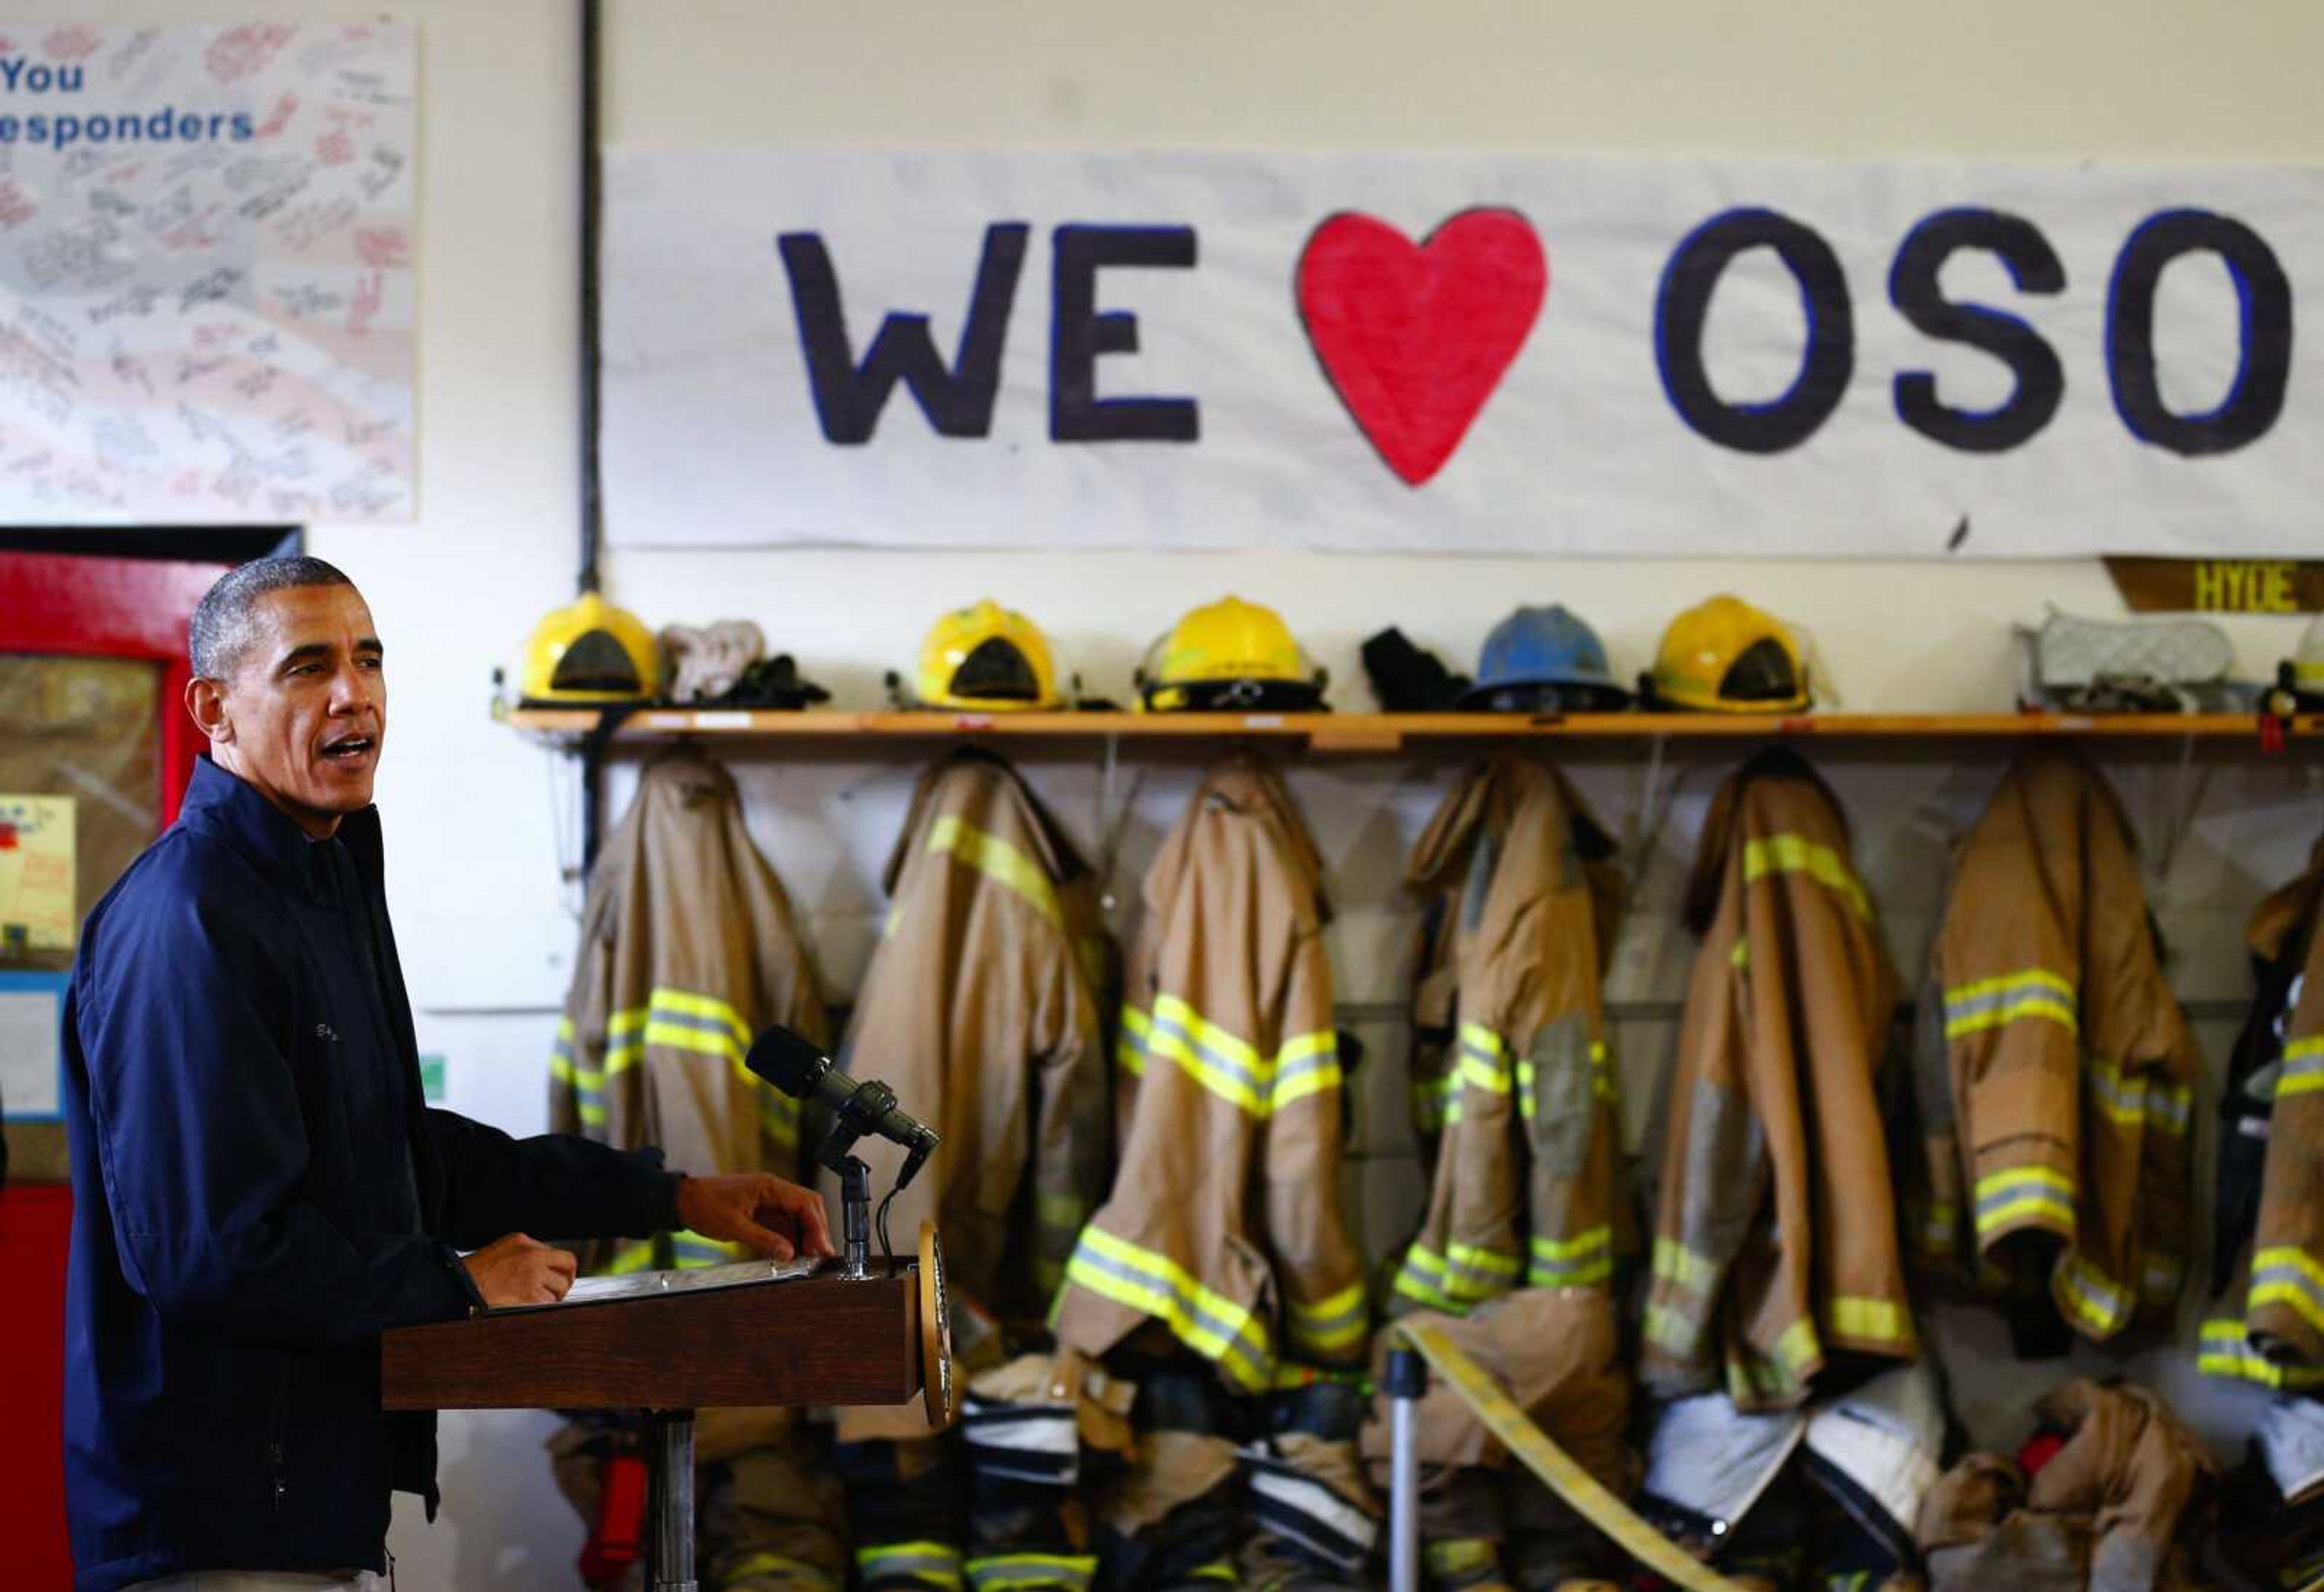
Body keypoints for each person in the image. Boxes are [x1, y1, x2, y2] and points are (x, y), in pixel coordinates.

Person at [60, 556, 836, 1592]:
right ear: (216, 708)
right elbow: (215, 1251)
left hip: (309, 1508)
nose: (355, 694)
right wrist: (458, 1283)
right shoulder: (189, 920)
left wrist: (677, 1195)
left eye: (368, 660)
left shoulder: (321, 877)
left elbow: (400, 1152)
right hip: (216, 1528)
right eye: (307, 668)